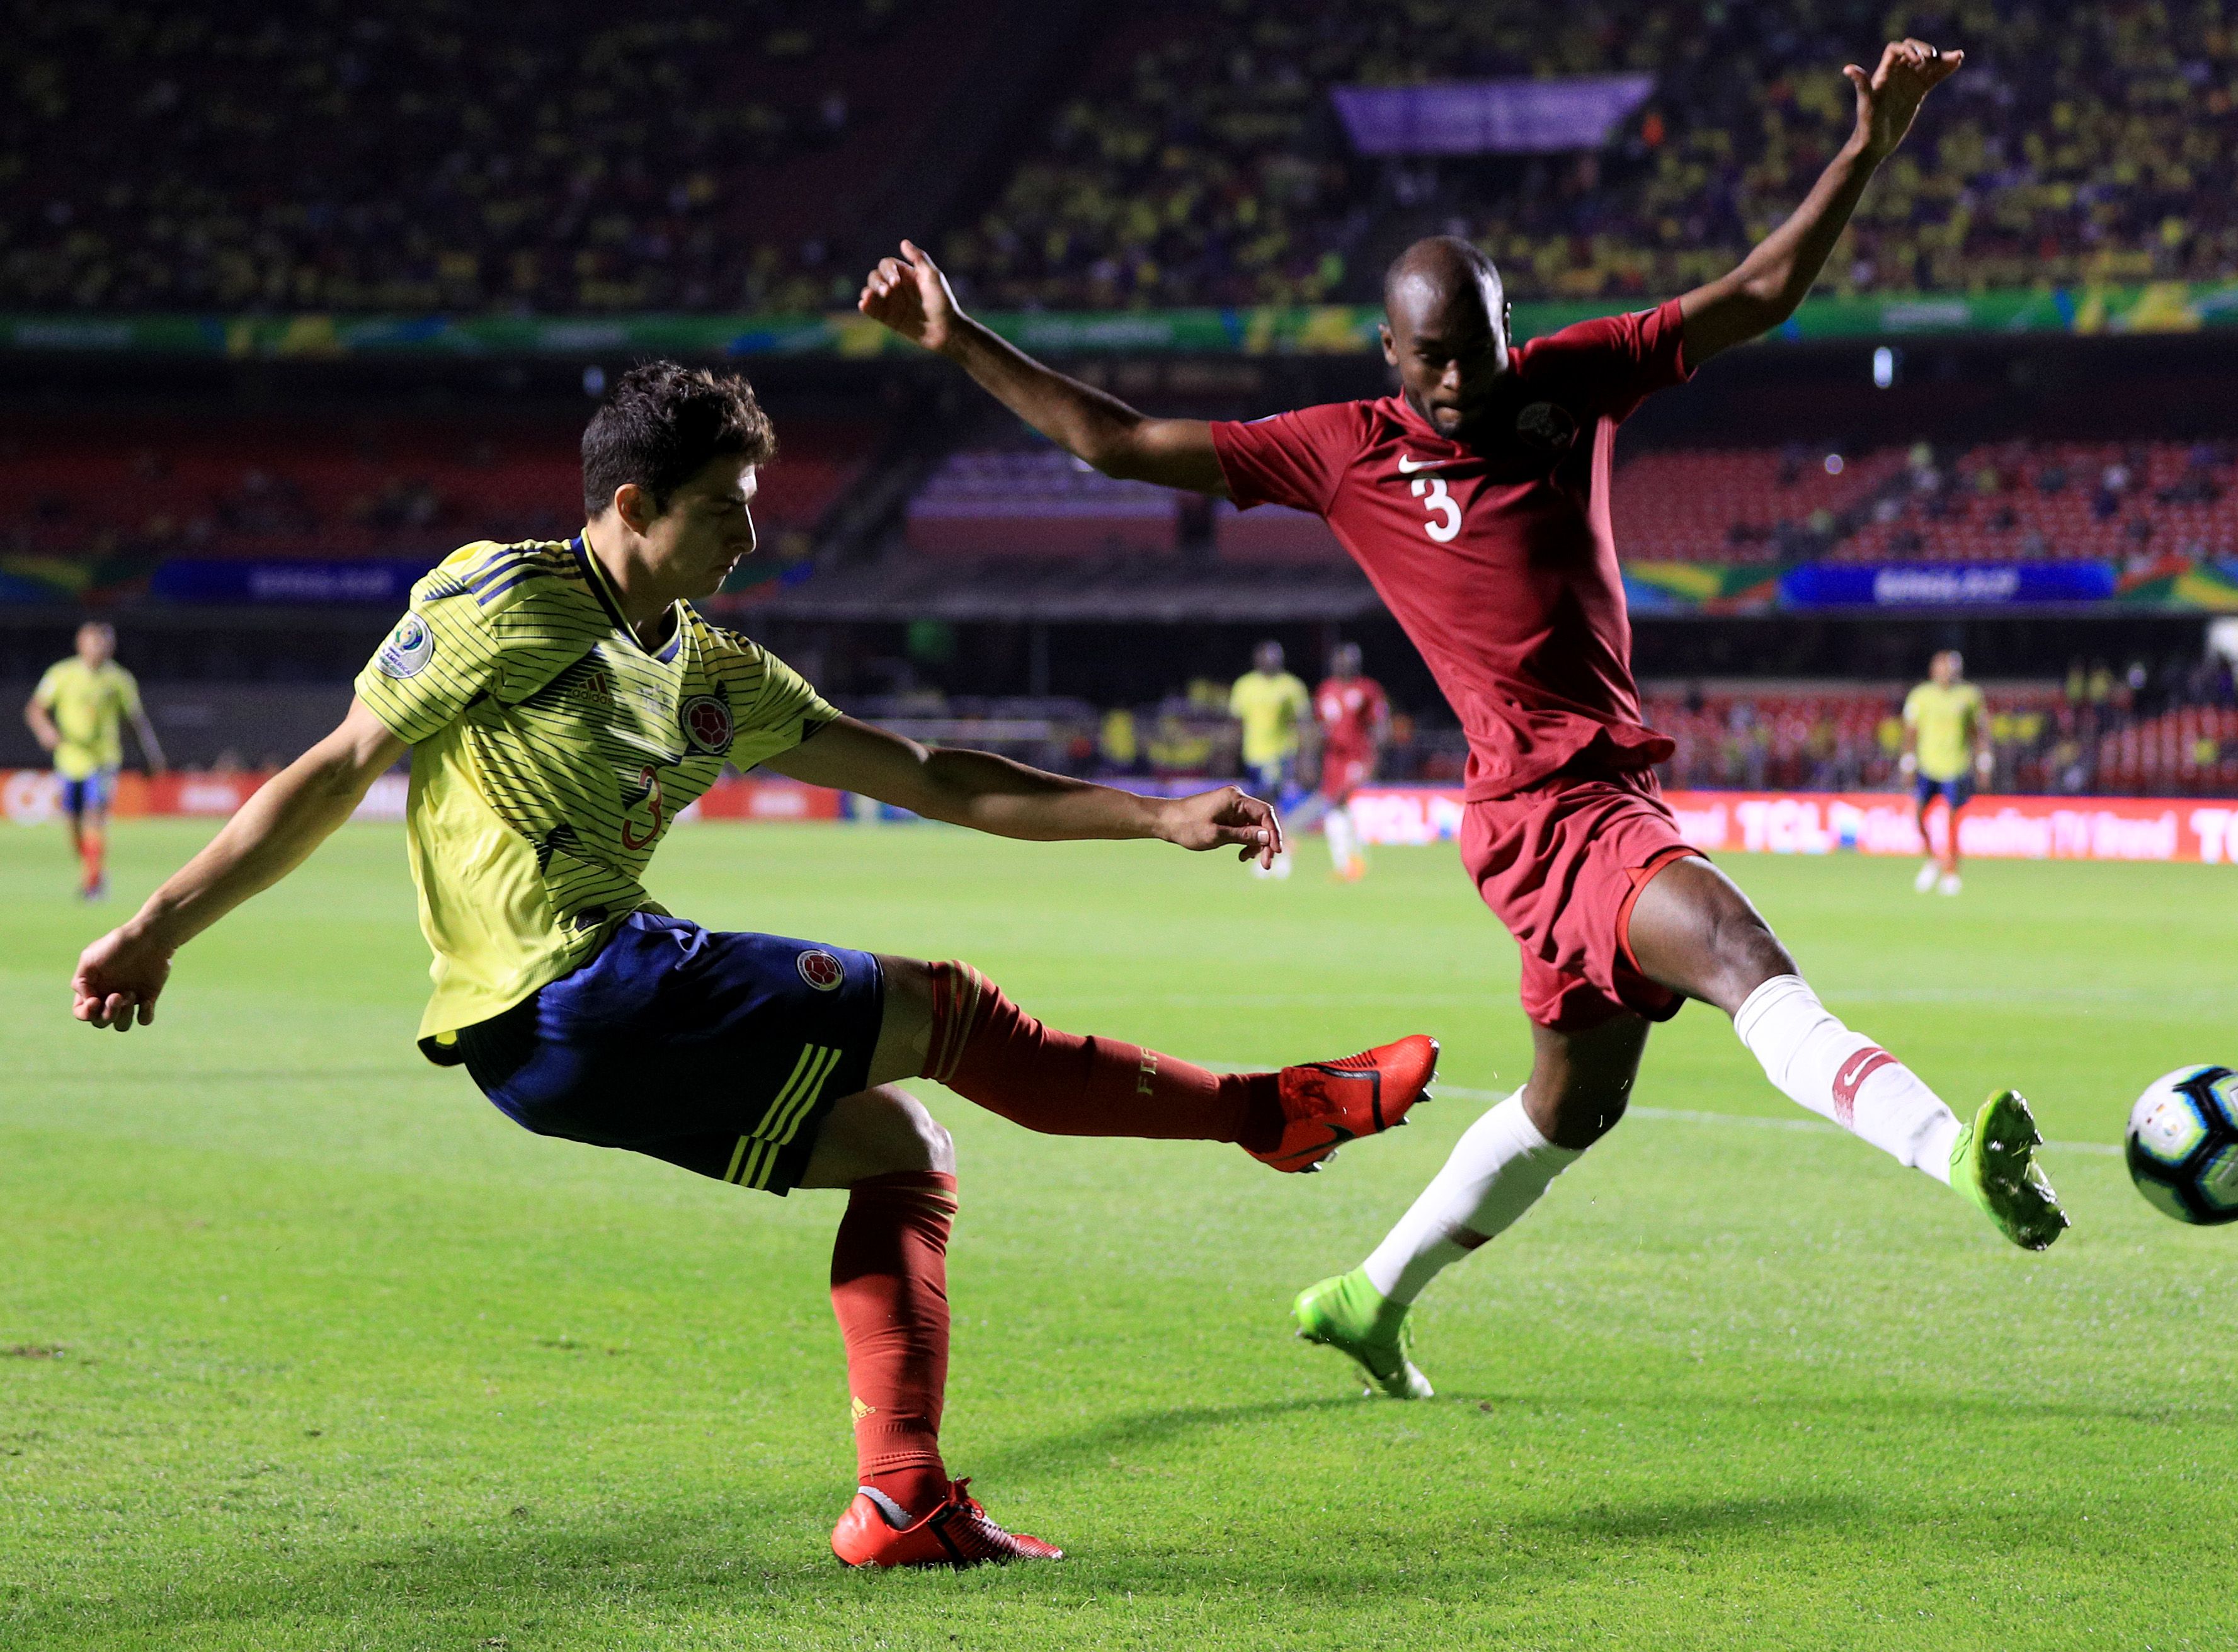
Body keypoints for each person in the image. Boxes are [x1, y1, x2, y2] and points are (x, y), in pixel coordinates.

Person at [859, 36, 2065, 1406]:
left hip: (1576, 801)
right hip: (1553, 813)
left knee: (1572, 1107)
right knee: (1732, 946)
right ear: (1388, 352)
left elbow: (1758, 291)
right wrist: (959, 340)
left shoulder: (1572, 381)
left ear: (1508, 328)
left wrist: (1864, 150)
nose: (1458, 385)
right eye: (1431, 362)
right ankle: (1947, 1149)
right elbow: (1122, 444)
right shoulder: (1340, 449)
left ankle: (1368, 1297)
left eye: (1477, 353)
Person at [68, 363, 1439, 1561]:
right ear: (628, 507)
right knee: (945, 1007)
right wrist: (156, 927)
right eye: (723, 502)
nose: (749, 527)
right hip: (572, 986)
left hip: (559, 1053)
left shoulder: (719, 672)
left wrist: (1150, 815)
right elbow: (328, 774)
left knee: (901, 1148)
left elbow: (929, 774)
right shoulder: (501, 603)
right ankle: (1269, 1113)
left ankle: (901, 1504)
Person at [25, 621, 166, 901]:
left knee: (95, 817)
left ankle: (94, 883)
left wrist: (152, 756)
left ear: (111, 647)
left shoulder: (119, 680)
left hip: (104, 760)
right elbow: (36, 709)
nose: (99, 648)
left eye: (104, 643)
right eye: (93, 642)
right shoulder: (61, 674)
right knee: (73, 823)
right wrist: (46, 731)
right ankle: (90, 869)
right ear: (81, 644)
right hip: (69, 761)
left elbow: (135, 721)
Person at [1900, 649, 1992, 896]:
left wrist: (1983, 761)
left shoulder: (1969, 696)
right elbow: (1911, 731)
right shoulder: (1921, 696)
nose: (1946, 673)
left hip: (1956, 765)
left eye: (1950, 668)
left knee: (1952, 822)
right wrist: (1908, 762)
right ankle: (1933, 858)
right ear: (1933, 670)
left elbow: (1978, 731)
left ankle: (1951, 872)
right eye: (1941, 668)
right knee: (1919, 816)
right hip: (1928, 766)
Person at [1298, 642, 1390, 882]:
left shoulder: (1367, 689)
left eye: (1350, 660)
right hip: (1333, 759)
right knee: (1341, 810)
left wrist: (1376, 756)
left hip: (1357, 758)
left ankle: (1346, 864)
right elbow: (1317, 726)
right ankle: (1355, 862)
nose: (1345, 664)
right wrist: (1309, 757)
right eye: (1341, 660)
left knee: (1337, 804)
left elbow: (1380, 723)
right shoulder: (1326, 690)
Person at [1226, 639, 1311, 879]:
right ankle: (1274, 849)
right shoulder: (1245, 686)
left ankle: (1279, 851)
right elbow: (1237, 722)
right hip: (1253, 754)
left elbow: (1303, 723)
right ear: (1257, 659)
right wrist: (1230, 755)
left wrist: (1305, 758)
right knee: (1260, 806)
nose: (1271, 662)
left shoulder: (1291, 687)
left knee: (1268, 803)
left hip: (1279, 753)